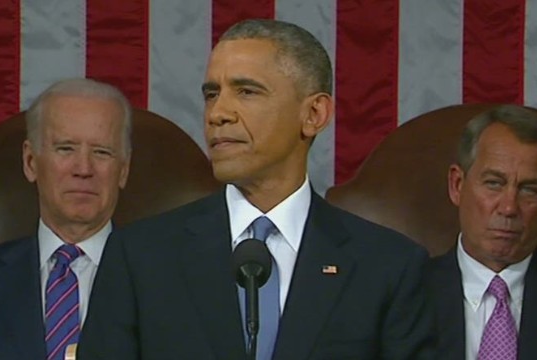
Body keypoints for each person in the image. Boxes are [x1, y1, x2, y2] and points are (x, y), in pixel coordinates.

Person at [78, 19, 434, 360]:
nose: (218, 113)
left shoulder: (389, 266)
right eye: (211, 94)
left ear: (314, 114)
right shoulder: (141, 256)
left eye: (246, 91)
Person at [0, 78, 132, 360]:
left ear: (123, 170)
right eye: (65, 148)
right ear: (31, 162)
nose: (83, 169)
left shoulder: (169, 284)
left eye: (101, 152)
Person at [427, 105, 537, 359]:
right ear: (457, 185)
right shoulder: (406, 292)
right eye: (494, 183)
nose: (509, 207)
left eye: (529, 189)